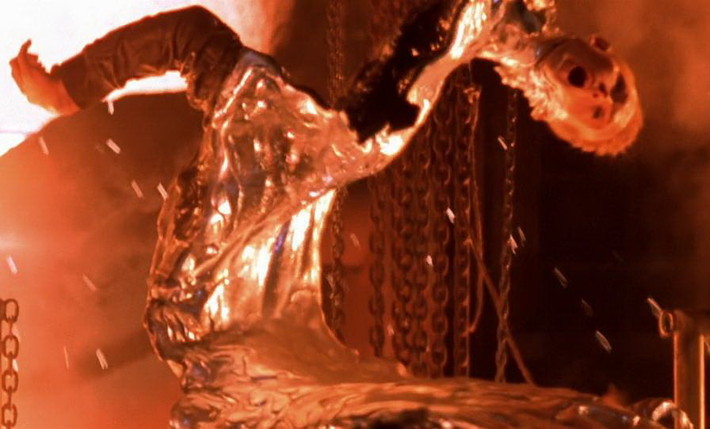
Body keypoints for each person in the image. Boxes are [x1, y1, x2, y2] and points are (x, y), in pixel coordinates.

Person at [10, 2, 649, 427]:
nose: (599, 92)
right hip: (332, 140)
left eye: (597, 112)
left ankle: (67, 90)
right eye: (613, 83)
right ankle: (69, 88)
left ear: (554, 118)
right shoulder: (521, 19)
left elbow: (474, 40)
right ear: (600, 48)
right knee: (200, 46)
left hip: (326, 147)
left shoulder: (517, 44)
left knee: (200, 45)